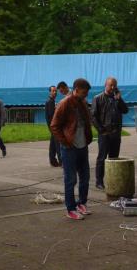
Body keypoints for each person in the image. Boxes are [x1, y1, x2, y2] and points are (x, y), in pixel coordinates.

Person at [50, 78, 93, 220]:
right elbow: (54, 126)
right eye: (84, 92)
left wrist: (88, 138)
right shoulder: (64, 103)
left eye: (87, 93)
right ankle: (70, 209)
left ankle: (81, 203)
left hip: (82, 146)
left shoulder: (83, 102)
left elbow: (86, 121)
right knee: (70, 179)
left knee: (85, 177)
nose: (86, 95)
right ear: (76, 90)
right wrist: (66, 142)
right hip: (70, 147)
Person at [91, 77, 128, 190]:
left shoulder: (116, 98)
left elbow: (125, 110)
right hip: (104, 134)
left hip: (116, 134)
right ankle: (99, 181)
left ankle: (112, 179)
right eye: (111, 85)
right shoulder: (98, 98)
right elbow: (93, 116)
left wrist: (119, 99)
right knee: (102, 158)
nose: (112, 87)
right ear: (105, 85)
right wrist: (101, 130)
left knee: (113, 158)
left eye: (114, 85)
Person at [45, 85, 62, 167]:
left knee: (53, 145)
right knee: (57, 144)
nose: (55, 92)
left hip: (52, 127)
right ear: (50, 92)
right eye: (53, 91)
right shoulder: (50, 101)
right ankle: (61, 161)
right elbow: (51, 116)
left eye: (56, 91)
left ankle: (53, 160)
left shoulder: (51, 101)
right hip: (54, 127)